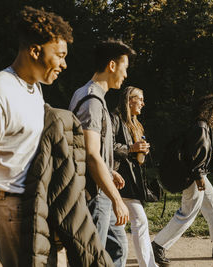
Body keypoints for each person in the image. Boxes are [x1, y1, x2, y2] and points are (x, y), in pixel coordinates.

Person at [0, 6, 73, 267]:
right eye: (60, 55)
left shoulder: (34, 90)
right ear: (34, 50)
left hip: (31, 209)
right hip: (2, 211)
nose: (64, 64)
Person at [151, 94, 213, 266]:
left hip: (198, 175)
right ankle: (158, 245)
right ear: (211, 112)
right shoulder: (200, 127)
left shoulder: (201, 126)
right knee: (187, 213)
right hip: (194, 178)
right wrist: (199, 177)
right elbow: (193, 159)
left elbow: (198, 155)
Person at [68, 39, 135, 267]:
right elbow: (91, 154)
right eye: (124, 68)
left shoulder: (86, 94)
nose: (125, 75)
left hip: (100, 186)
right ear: (112, 66)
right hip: (95, 194)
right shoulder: (92, 101)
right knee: (93, 257)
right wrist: (117, 199)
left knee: (117, 247)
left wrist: (109, 170)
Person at [111, 86, 158, 267]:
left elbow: (133, 155)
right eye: (140, 99)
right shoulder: (115, 118)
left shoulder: (135, 123)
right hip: (118, 179)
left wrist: (141, 151)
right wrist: (132, 149)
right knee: (138, 221)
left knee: (119, 224)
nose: (143, 103)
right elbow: (108, 146)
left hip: (129, 179)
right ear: (129, 99)